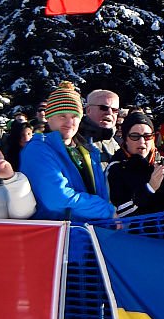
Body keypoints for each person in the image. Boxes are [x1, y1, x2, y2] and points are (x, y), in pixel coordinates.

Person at [21, 81, 115, 222]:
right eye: (62, 116)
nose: (69, 123)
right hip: (60, 236)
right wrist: (105, 210)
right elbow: (56, 198)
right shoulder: (38, 149)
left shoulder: (86, 150)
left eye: (74, 116)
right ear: (49, 117)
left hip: (91, 231)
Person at [105, 112, 164, 217]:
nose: (142, 141)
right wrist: (149, 189)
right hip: (135, 232)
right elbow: (119, 212)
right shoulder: (116, 168)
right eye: (135, 136)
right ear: (125, 139)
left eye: (147, 136)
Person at [80, 89, 122, 163]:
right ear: (88, 110)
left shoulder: (118, 143)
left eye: (115, 110)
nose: (109, 113)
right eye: (104, 108)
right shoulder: (76, 140)